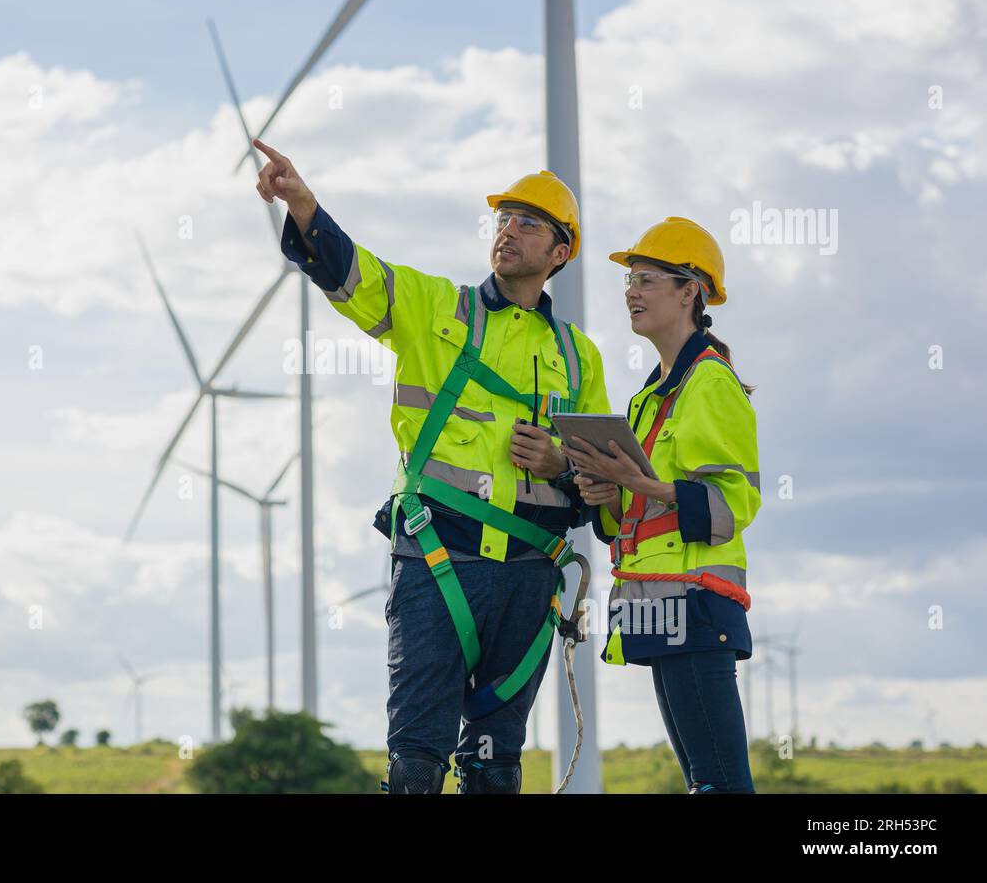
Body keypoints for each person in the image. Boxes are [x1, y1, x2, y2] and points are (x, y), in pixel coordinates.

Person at [252, 138, 610, 793]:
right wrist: (303, 205)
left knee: (497, 763)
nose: (509, 231)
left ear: (560, 252)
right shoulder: (436, 307)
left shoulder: (580, 357)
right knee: (415, 759)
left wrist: (561, 461)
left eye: (528, 222)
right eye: (504, 218)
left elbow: (604, 485)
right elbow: (353, 273)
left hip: (530, 579)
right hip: (439, 562)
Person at [562, 216, 759, 793]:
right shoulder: (650, 395)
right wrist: (606, 491)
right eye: (629, 281)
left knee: (720, 783)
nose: (631, 292)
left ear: (689, 290)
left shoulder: (710, 383)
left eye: (646, 280)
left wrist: (640, 485)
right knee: (704, 783)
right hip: (659, 603)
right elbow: (635, 512)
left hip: (698, 602)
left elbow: (732, 503)